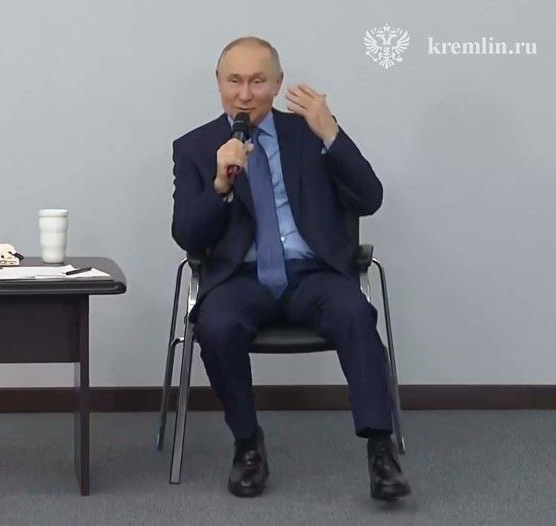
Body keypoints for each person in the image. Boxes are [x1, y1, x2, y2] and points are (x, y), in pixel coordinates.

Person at [170, 36, 411, 500]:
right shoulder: (195, 147)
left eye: (258, 81)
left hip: (312, 275)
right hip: (241, 280)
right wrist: (220, 185)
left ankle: (381, 451)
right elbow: (188, 237)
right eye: (234, 81)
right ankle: (247, 445)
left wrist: (332, 134)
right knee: (215, 325)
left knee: (354, 312)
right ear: (218, 83)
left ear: (278, 83)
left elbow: (370, 198)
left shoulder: (308, 134)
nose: (245, 94)